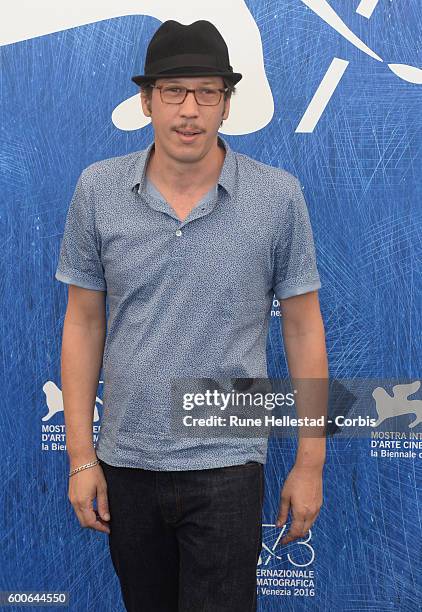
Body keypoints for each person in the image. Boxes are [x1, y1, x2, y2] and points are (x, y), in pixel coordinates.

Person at [56, 19, 328, 612]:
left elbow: (304, 328)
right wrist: (82, 457)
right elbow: (82, 323)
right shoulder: (98, 191)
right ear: (146, 101)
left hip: (228, 466)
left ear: (227, 105)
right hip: (126, 463)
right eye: (174, 91)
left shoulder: (276, 196)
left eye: (207, 92)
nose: (189, 109)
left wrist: (311, 461)